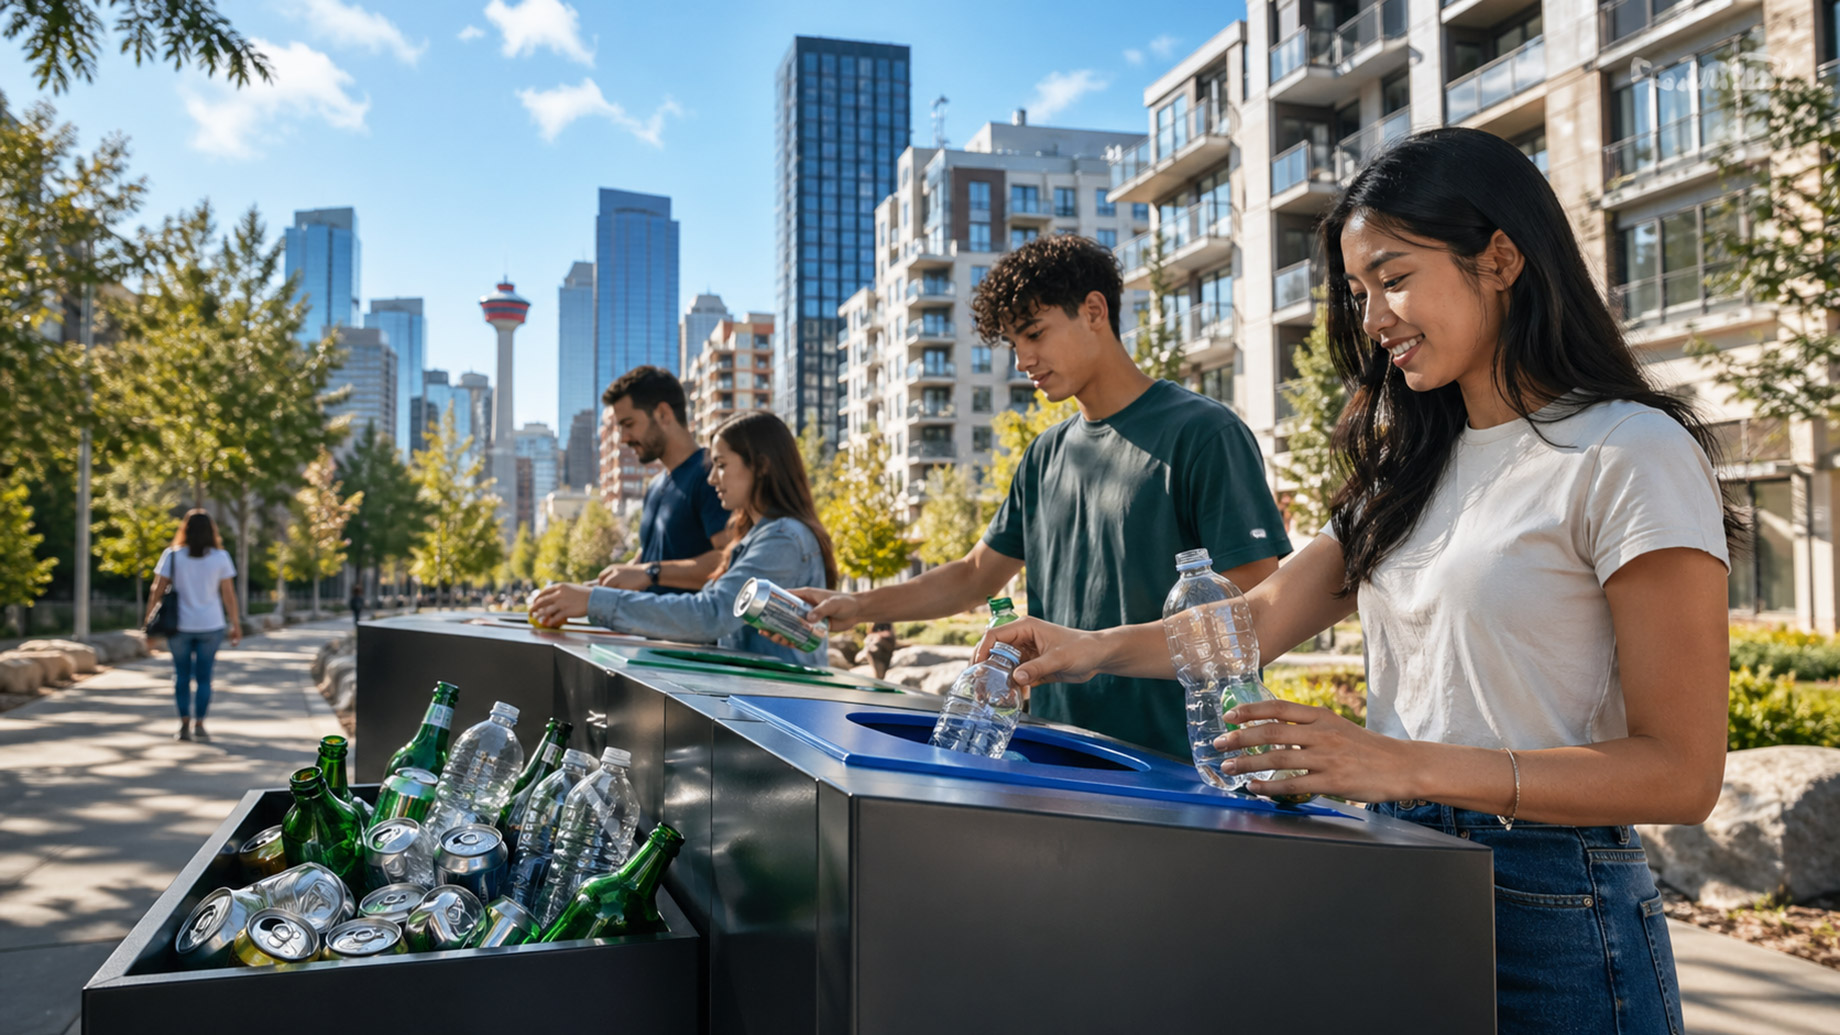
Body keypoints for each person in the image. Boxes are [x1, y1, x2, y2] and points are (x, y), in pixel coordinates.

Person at [982, 128, 1733, 1033]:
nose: (1374, 318)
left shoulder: (1629, 450)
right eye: (1358, 292)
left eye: (1395, 276)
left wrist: (1393, 761)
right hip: (1399, 869)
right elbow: (1254, 619)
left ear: (1500, 257)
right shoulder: (1409, 465)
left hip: (1553, 911)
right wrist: (1085, 649)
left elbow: (1681, 771)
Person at [781, 234, 1291, 758]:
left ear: (1094, 310)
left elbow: (1253, 608)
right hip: (1052, 751)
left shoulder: (1205, 433)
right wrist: (856, 606)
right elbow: (975, 575)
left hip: (1179, 764)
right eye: (1013, 342)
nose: (1023, 359)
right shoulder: (1044, 454)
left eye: (1034, 333)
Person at [529, 410, 839, 665]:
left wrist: (594, 602)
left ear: (761, 466)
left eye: (720, 465)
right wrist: (591, 596)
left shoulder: (783, 540)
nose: (711, 478)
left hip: (777, 712)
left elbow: (709, 615)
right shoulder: (758, 537)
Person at [593, 366, 732, 594]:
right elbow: (648, 562)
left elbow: (728, 561)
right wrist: (588, 591)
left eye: (628, 425)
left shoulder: (711, 475)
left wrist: (650, 572)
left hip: (692, 628)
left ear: (663, 414)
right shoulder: (656, 485)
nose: (624, 438)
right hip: (647, 629)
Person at [146, 509, 242, 742]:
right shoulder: (220, 557)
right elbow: (228, 595)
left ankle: (184, 724)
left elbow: (156, 589)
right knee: (204, 678)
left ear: (185, 529)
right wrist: (235, 624)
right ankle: (200, 722)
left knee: (181, 676)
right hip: (211, 625)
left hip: (179, 626)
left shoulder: (173, 555)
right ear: (212, 532)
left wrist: (148, 622)